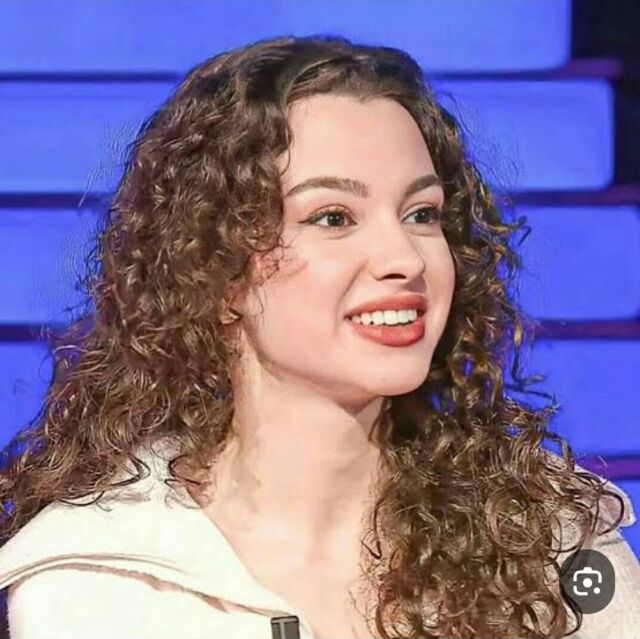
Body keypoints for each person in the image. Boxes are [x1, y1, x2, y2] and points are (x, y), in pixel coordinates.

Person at [0, 34, 638, 639]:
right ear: (216, 271)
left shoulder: (552, 545)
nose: (404, 258)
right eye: (333, 218)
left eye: (421, 214)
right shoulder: (101, 583)